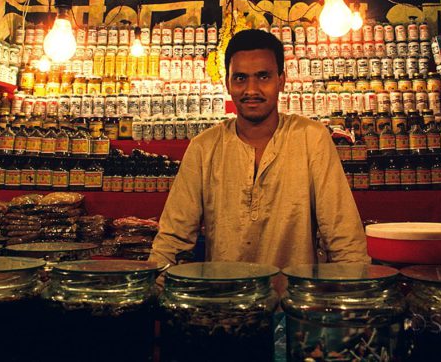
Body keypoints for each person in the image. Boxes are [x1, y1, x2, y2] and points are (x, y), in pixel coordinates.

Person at [149, 28, 368, 269]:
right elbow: (172, 240)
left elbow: (344, 237)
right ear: (228, 83)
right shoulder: (204, 147)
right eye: (241, 78)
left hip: (292, 301)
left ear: (281, 81)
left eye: (263, 76)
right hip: (226, 300)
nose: (251, 90)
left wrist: (355, 291)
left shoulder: (311, 138)